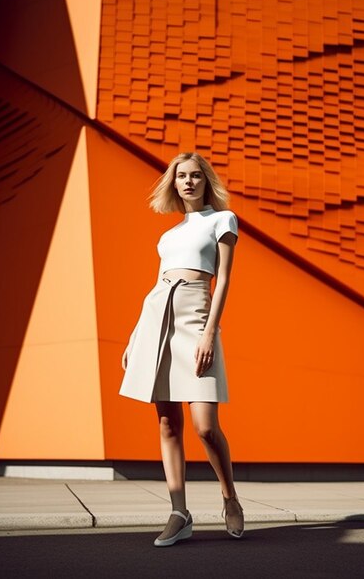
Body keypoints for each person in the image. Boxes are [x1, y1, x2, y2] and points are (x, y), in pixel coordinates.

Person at [120, 151, 244, 547]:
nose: (188, 182)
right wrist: (136, 336)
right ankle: (179, 512)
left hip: (196, 316)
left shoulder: (222, 220)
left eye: (195, 175)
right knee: (167, 422)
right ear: (173, 183)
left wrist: (210, 333)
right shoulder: (168, 236)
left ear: (206, 181)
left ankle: (230, 497)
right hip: (158, 318)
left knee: (205, 426)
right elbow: (156, 288)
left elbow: (222, 279)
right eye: (181, 176)